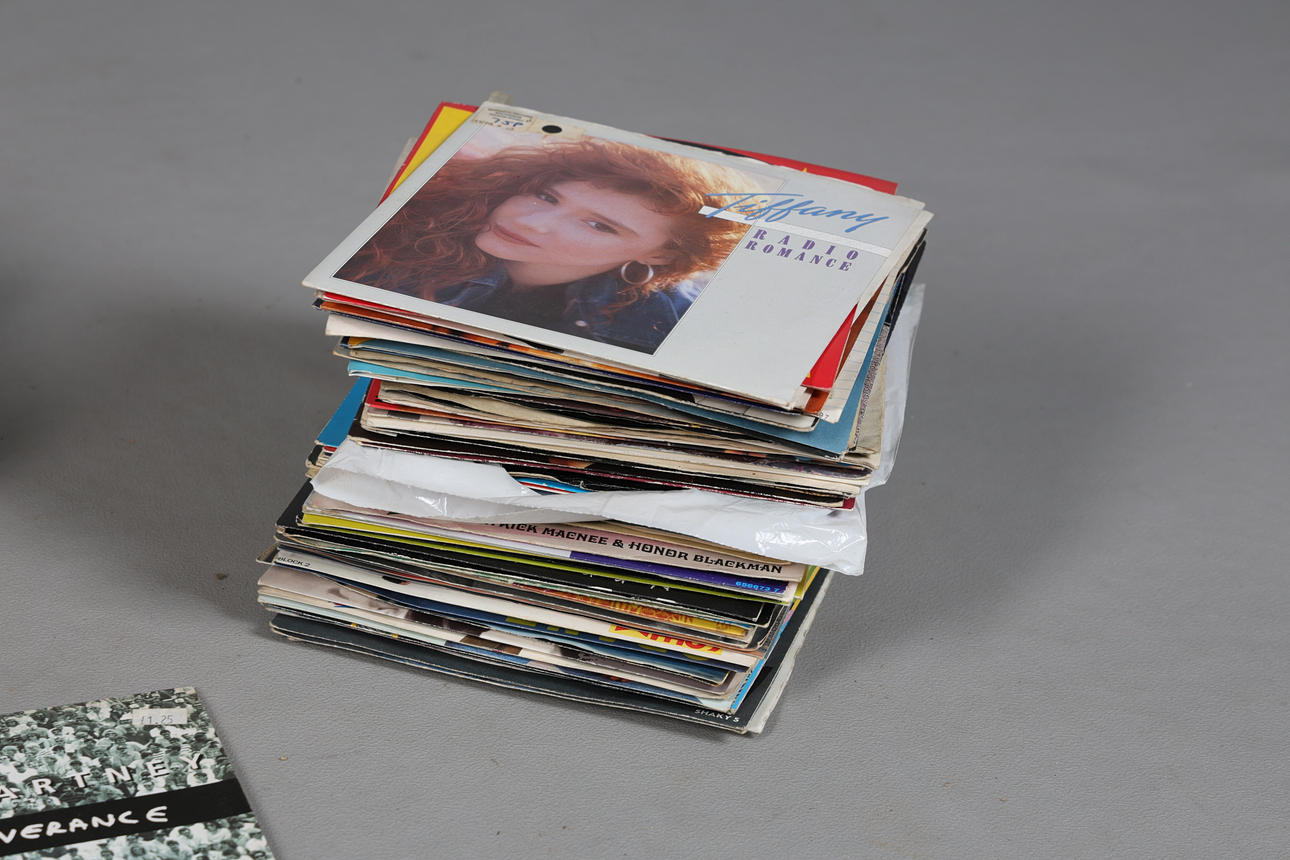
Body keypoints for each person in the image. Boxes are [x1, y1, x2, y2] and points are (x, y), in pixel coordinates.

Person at [336, 137, 764, 353]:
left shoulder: (671, 321)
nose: (532, 222)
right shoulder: (403, 239)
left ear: (660, 255)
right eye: (546, 196)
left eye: (599, 225)